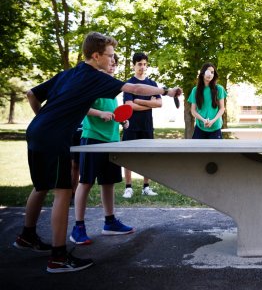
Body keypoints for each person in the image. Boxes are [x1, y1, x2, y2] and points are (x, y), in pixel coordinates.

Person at [13, 32, 181, 273]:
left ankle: (26, 236)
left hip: (36, 132)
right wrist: (166, 91)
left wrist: (43, 119)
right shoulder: (95, 77)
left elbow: (32, 94)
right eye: (110, 56)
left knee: (40, 186)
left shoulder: (69, 73)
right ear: (96, 56)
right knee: (62, 192)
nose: (113, 60)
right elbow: (134, 87)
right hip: (54, 137)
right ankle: (58, 258)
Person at [70, 54, 134, 245]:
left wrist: (122, 120)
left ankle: (110, 222)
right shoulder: (91, 83)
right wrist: (100, 113)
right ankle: (78, 227)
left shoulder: (112, 86)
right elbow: (81, 107)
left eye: (115, 63)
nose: (113, 65)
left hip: (111, 140)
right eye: (111, 61)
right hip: (93, 139)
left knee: (108, 183)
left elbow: (113, 113)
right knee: (86, 182)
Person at [121, 52, 161, 198]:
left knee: (147, 156)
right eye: (139, 64)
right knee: (128, 156)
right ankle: (128, 187)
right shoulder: (129, 84)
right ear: (134, 66)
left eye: (145, 64)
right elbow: (129, 105)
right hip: (131, 125)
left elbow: (160, 103)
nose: (142, 67)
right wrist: (150, 104)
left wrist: (140, 101)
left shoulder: (152, 84)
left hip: (147, 125)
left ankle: (146, 186)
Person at [188, 63, 227, 139]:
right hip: (200, 127)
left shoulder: (219, 89)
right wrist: (203, 120)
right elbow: (193, 110)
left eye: (212, 72)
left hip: (215, 127)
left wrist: (212, 121)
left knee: (216, 151)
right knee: (196, 151)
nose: (210, 74)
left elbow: (222, 108)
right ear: (202, 74)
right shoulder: (195, 90)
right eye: (208, 72)